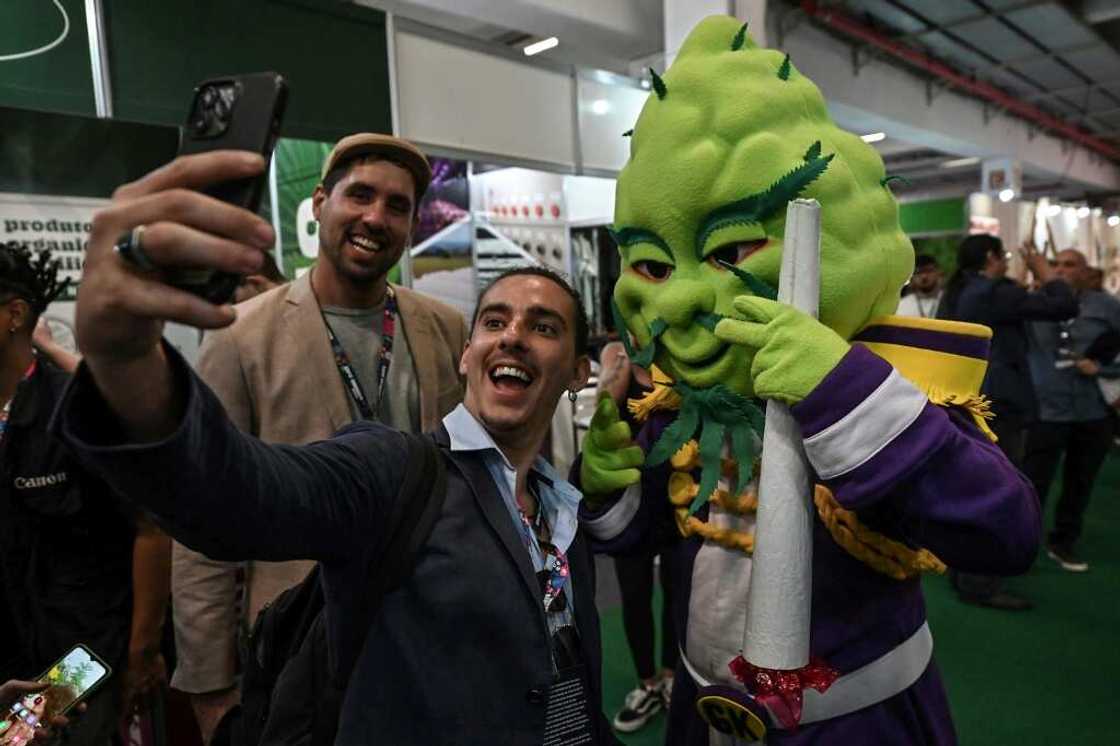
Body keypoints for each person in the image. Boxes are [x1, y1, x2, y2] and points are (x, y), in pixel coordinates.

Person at [576, 16, 1039, 744]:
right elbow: (646, 536)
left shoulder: (888, 396)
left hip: (855, 724)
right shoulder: (681, 408)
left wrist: (837, 386)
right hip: (703, 713)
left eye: (731, 250)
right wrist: (610, 481)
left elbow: (1004, 535)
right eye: (652, 266)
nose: (676, 299)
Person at [53, 149, 616, 744]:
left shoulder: (560, 510)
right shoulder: (388, 463)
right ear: (469, 355)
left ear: (578, 371)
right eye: (496, 322)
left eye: (543, 327)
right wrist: (126, 366)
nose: (514, 339)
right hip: (321, 662)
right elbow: (235, 491)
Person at [170, 133, 468, 742]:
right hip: (297, 644)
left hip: (425, 632)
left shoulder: (443, 327)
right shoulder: (239, 338)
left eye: (397, 206)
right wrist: (211, 686)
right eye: (359, 196)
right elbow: (202, 523)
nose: (375, 218)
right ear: (319, 203)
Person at [0, 243, 170, 745]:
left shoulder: (75, 411)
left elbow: (151, 529)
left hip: (80, 660)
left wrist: (142, 651)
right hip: (8, 659)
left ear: (14, 316)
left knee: (28, 739)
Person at [937, 235, 1076, 609]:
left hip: (968, 396)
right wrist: (1045, 272)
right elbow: (1064, 305)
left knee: (970, 485)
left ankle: (964, 569)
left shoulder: (958, 291)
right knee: (998, 489)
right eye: (1006, 256)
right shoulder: (995, 292)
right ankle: (980, 582)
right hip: (1000, 403)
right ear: (990, 257)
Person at [593, 342, 679, 733]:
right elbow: (604, 418)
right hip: (631, 497)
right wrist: (625, 363)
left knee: (678, 589)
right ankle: (647, 683)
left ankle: (671, 676)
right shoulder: (618, 354)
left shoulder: (681, 349)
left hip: (678, 495)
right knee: (634, 590)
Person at [1024, 248, 1120, 572]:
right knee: (1032, 481)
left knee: (1080, 483)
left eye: (1070, 265)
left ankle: (1063, 542)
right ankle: (1021, 540)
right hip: (1046, 408)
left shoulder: (1107, 306)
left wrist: (1105, 368)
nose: (1062, 270)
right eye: (1056, 265)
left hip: (1092, 410)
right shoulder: (1031, 302)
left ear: (1085, 270)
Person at [896, 253, 942, 318]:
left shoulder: (949, 301)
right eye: (919, 272)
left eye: (928, 271)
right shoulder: (901, 305)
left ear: (938, 273)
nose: (924, 276)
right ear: (912, 277)